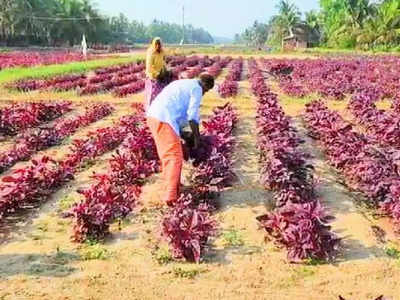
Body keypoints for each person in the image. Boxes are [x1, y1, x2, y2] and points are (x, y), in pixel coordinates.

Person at [146, 74, 215, 207]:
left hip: (155, 116)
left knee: (168, 156)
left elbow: (182, 119)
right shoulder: (197, 88)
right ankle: (170, 196)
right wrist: (196, 137)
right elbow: (192, 116)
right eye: (206, 91)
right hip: (163, 118)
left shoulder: (184, 83)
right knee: (174, 157)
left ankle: (172, 186)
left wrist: (187, 136)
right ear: (205, 85)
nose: (204, 93)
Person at [145, 37, 168, 108]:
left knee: (161, 93)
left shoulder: (162, 51)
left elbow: (163, 61)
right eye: (156, 45)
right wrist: (156, 74)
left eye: (159, 45)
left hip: (160, 75)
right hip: (152, 76)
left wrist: (165, 70)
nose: (158, 46)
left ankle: (159, 108)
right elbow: (149, 66)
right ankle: (150, 109)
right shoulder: (151, 52)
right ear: (154, 45)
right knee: (152, 93)